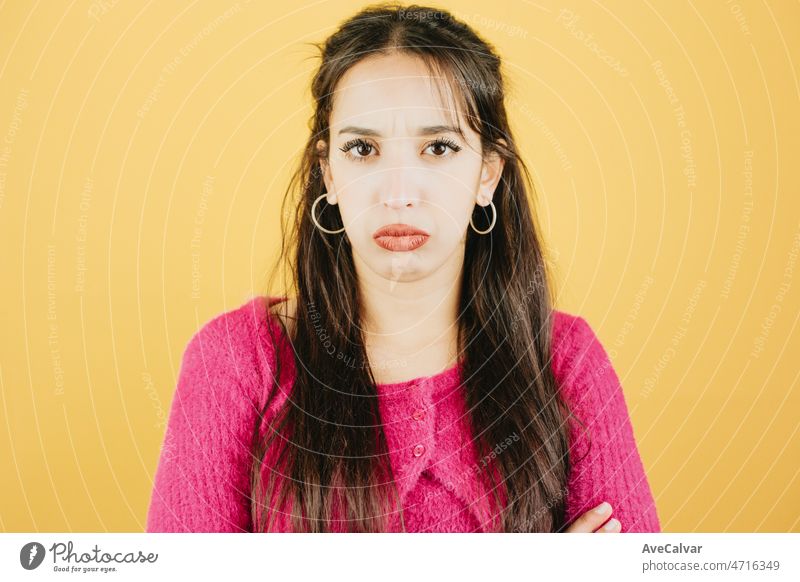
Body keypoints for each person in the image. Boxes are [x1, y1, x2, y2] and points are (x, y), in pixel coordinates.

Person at [146, 3, 660, 533]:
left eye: (437, 147)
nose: (397, 195)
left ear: (487, 172)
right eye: (362, 149)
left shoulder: (564, 361)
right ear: (328, 172)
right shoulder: (236, 362)